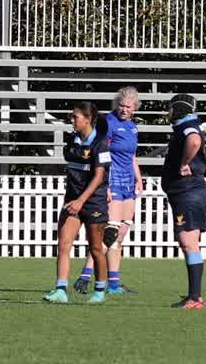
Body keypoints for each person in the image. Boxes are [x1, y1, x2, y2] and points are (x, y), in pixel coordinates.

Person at [75, 86, 141, 295]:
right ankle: (86, 275)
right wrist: (105, 185)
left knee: (120, 235)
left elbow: (131, 156)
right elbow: (101, 151)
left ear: (135, 108)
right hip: (112, 180)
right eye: (121, 105)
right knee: (108, 233)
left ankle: (114, 283)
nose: (124, 109)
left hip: (128, 182)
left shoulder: (132, 127)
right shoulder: (108, 123)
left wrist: (139, 179)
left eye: (128, 107)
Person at [44, 102, 111, 304]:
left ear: (88, 119)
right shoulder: (71, 141)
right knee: (63, 245)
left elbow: (99, 176)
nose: (71, 120)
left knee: (96, 248)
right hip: (72, 202)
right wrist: (73, 199)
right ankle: (61, 289)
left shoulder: (101, 143)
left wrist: (81, 200)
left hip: (93, 203)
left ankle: (99, 290)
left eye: (75, 117)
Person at [162, 93, 206, 309]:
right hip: (190, 193)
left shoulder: (187, 126)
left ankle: (195, 297)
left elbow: (194, 140)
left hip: (187, 193)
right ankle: (194, 295)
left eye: (171, 108)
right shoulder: (187, 124)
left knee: (188, 242)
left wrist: (184, 162)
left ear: (178, 108)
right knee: (190, 243)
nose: (168, 112)